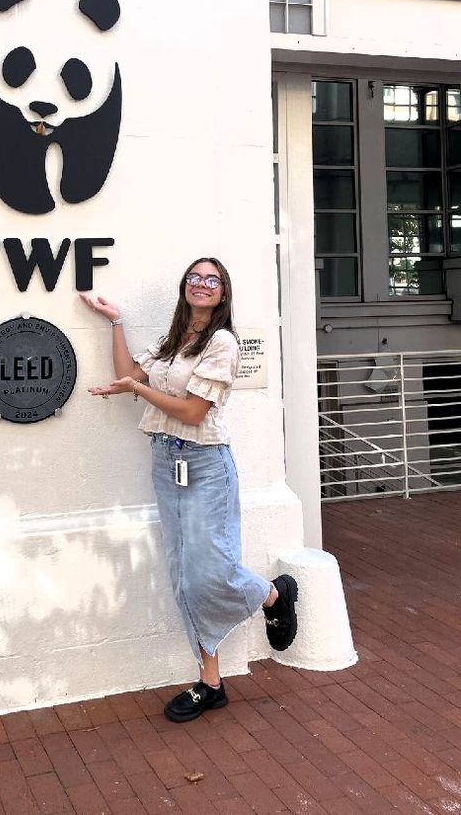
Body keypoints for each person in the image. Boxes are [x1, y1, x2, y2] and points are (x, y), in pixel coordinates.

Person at [79, 257, 298, 723]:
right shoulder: (175, 338)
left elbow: (193, 412)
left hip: (204, 464)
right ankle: (210, 682)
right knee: (183, 574)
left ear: (222, 293)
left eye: (211, 280)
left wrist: (133, 390)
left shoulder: (221, 342)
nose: (201, 284)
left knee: (210, 569)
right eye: (195, 278)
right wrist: (116, 321)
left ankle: (271, 596)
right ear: (185, 287)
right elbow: (131, 374)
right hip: (166, 460)